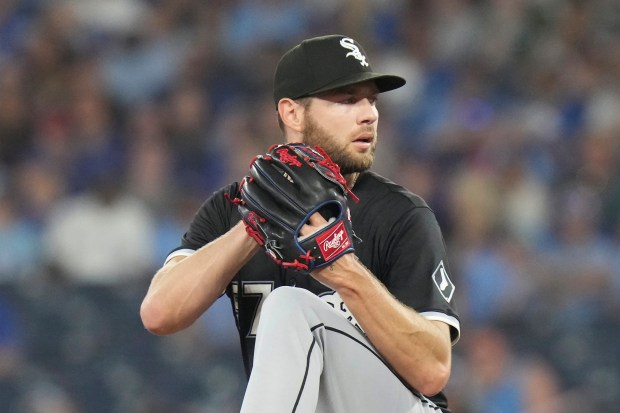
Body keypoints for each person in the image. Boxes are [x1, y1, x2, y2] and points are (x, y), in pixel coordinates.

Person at [140, 34, 460, 412]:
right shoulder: (232, 209)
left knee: (290, 307)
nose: (369, 113)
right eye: (347, 100)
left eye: (371, 100)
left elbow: (433, 371)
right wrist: (254, 226)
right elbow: (159, 313)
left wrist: (344, 271)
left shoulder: (401, 215)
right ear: (292, 113)